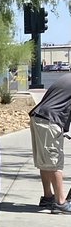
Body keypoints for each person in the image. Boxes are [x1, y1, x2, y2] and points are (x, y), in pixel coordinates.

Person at [29, 72, 71, 213]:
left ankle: (48, 197)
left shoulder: (67, 78)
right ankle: (60, 203)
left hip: (40, 117)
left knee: (45, 162)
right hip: (49, 120)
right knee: (54, 163)